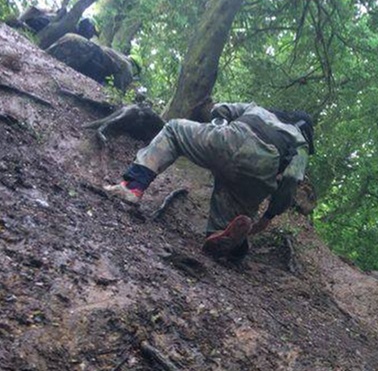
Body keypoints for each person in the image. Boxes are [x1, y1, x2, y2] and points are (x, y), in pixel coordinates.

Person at [104, 102, 315, 260]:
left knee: (174, 129)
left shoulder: (257, 109)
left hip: (230, 139)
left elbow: (221, 108)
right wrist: (269, 215)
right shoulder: (300, 143)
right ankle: (227, 240)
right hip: (259, 175)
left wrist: (219, 125)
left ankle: (133, 187)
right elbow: (290, 180)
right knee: (232, 202)